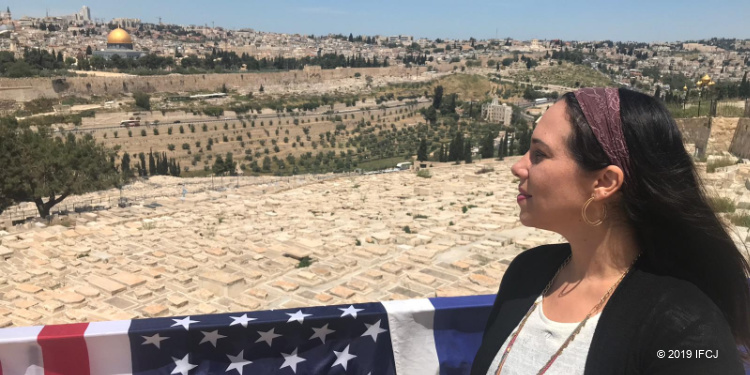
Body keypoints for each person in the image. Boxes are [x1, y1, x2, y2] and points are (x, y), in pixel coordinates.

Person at [471, 87, 750, 374]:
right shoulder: (526, 273)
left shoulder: (685, 327)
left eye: (539, 155)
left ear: (605, 182)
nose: (518, 167)